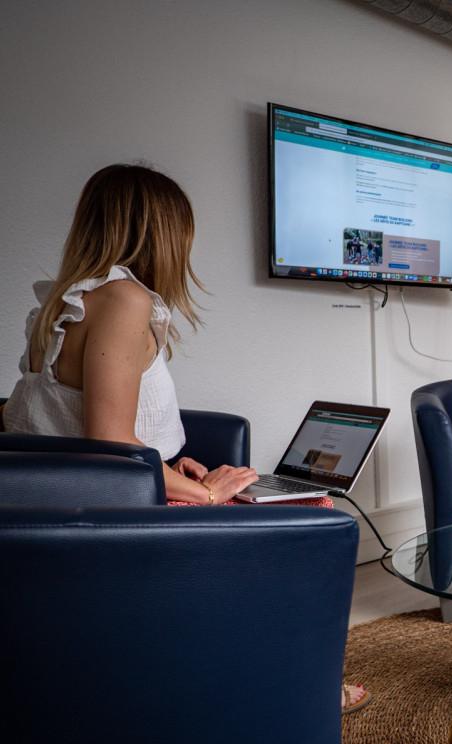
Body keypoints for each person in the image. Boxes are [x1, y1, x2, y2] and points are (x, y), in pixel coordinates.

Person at [2, 163, 370, 715]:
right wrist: (208, 495)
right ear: (164, 234)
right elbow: (108, 441)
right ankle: (299, 685)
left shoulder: (58, 304)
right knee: (318, 509)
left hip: (70, 501)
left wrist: (174, 465)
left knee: (265, 494)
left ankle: (259, 662)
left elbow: (47, 420)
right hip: (118, 513)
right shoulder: (124, 301)